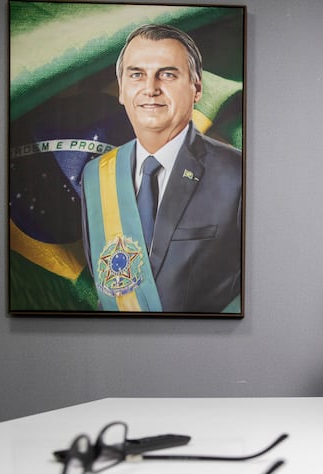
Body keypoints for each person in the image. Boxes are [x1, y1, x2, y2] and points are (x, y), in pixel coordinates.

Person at [80, 24, 242, 313]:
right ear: (121, 89)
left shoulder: (237, 173)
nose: (150, 88)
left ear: (197, 88)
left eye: (167, 74)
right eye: (136, 74)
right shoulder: (95, 176)